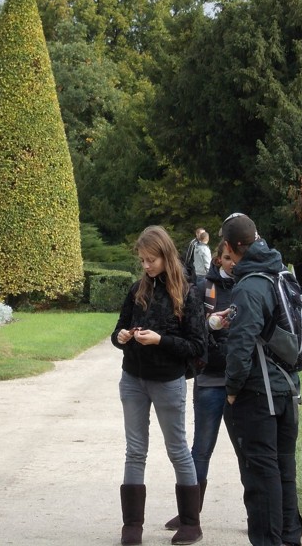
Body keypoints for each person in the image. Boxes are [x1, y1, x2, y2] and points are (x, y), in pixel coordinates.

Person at [111, 225, 207, 546]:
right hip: (133, 379)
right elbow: (118, 331)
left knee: (177, 449)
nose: (146, 266)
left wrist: (161, 340)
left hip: (168, 382)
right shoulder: (138, 289)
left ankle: (191, 523)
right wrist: (122, 337)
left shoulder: (188, 294)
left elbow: (196, 347)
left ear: (166, 255)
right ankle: (132, 526)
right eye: (142, 260)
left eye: (151, 259)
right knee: (134, 450)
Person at [220, 213, 302, 546]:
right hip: (288, 389)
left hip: (259, 394)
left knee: (261, 475)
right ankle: (290, 537)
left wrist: (231, 390)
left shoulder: (250, 285)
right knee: (284, 470)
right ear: (257, 238)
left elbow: (240, 347)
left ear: (228, 246)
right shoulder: (281, 274)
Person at [165, 239, 235, 530]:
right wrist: (211, 323)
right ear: (217, 259)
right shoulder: (205, 287)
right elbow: (192, 326)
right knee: (201, 449)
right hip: (210, 380)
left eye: (236, 256)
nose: (233, 262)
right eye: (227, 257)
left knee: (249, 452)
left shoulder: (252, 286)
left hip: (242, 382)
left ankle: (258, 512)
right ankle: (189, 514)